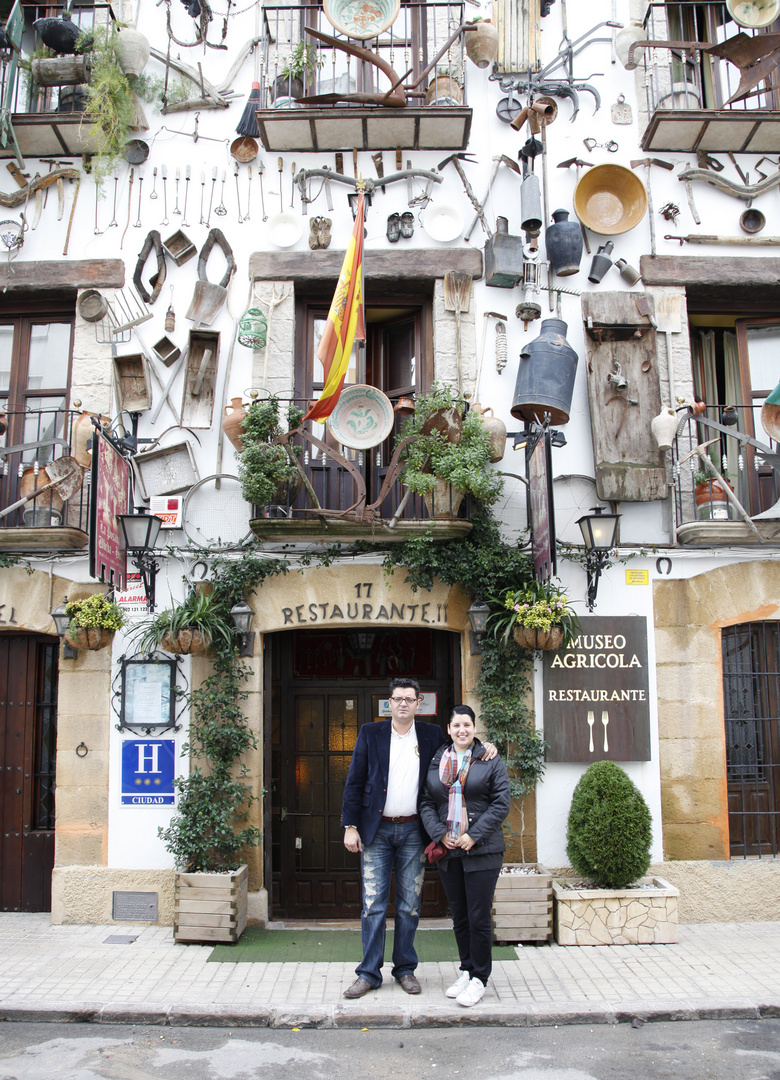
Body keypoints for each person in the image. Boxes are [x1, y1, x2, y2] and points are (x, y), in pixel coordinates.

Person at [340, 678, 496, 999]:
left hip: (414, 831)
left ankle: (405, 969)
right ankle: (369, 972)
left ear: (418, 703)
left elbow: (460, 747)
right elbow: (355, 781)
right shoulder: (371, 733)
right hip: (376, 830)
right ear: (390, 702)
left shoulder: (431, 736)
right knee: (372, 905)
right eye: (397, 699)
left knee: (410, 905)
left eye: (409, 699)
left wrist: (486, 747)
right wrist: (349, 826)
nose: (402, 704)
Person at [419, 704, 510, 1008]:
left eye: (467, 725)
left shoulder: (489, 759)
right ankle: (467, 969)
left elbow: (500, 804)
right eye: (456, 725)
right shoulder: (436, 759)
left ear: (474, 728)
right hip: (449, 850)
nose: (462, 730)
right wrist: (438, 834)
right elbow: (426, 803)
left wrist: (475, 835)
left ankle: (481, 978)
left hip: (482, 850)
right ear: (449, 729)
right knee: (459, 917)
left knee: (478, 916)